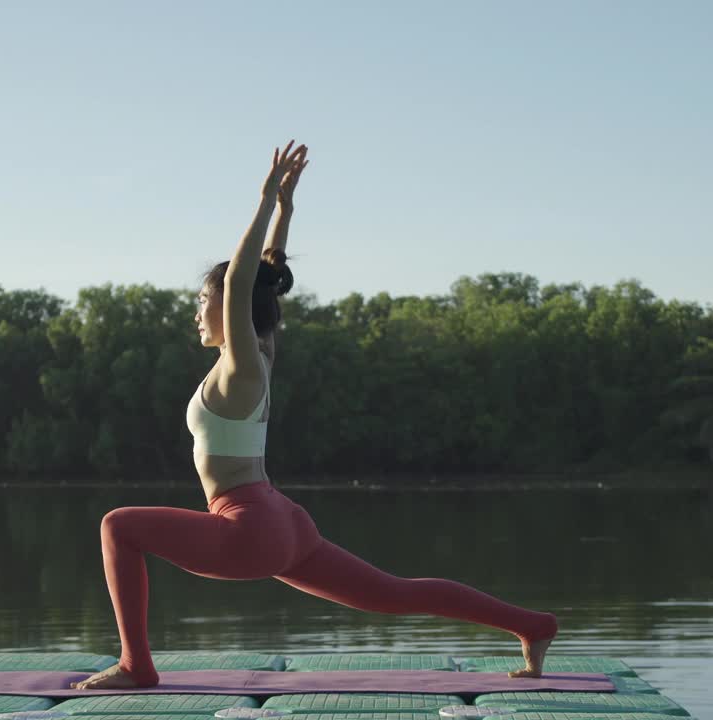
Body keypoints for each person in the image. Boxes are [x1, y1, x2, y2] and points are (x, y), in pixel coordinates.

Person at [73, 141, 557, 690]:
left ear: (228, 306)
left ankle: (137, 666)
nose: (197, 312)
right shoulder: (260, 354)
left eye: (202, 301)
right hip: (283, 522)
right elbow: (262, 282)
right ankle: (532, 625)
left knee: (117, 526)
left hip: (249, 527)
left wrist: (262, 202)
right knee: (395, 593)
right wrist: (285, 212)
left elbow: (240, 282)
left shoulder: (242, 367)